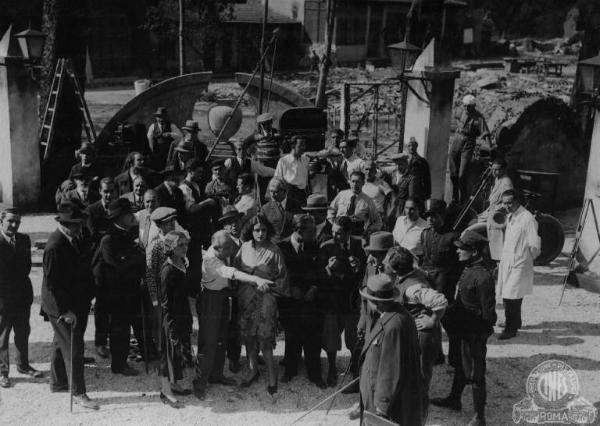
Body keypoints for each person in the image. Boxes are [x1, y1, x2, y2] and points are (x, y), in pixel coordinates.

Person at [194, 230, 275, 399]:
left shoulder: (223, 248)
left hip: (223, 296)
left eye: (232, 245)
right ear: (218, 249)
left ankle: (216, 375)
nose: (233, 249)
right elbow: (232, 273)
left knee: (221, 338)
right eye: (229, 247)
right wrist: (256, 280)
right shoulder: (210, 260)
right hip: (210, 300)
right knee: (208, 342)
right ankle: (200, 382)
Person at [432, 231, 496, 426]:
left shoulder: (483, 277)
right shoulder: (467, 268)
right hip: (461, 329)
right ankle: (454, 399)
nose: (458, 251)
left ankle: (479, 417)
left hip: (474, 334)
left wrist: (478, 336)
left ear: (474, 252)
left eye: (462, 248)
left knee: (476, 375)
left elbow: (489, 315)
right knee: (459, 365)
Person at [42, 203, 98, 409]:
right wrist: (65, 311)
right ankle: (79, 393)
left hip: (76, 300)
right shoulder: (54, 246)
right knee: (74, 346)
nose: (80, 227)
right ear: (65, 224)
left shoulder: (74, 238)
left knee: (61, 342)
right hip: (61, 306)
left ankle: (58, 382)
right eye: (76, 224)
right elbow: (52, 284)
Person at [383, 246, 448, 421]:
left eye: (386, 262)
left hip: (422, 338)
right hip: (414, 334)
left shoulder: (412, 287)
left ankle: (419, 419)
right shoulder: (413, 272)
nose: (383, 263)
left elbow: (440, 301)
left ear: (395, 268)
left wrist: (432, 320)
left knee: (419, 383)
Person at [358, 274, 423, 425]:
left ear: (376, 302)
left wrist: (382, 405)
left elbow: (391, 369)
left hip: (389, 404)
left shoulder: (393, 326)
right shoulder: (395, 315)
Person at [235, 216, 288, 395]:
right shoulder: (243, 248)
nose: (260, 233)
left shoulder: (275, 251)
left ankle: (272, 376)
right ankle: (253, 371)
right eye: (256, 230)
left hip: (266, 299)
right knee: (249, 337)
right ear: (250, 230)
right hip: (246, 298)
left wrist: (269, 285)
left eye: (263, 230)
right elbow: (235, 271)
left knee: (265, 339)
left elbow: (282, 280)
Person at [93, 198, 146, 376]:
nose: (133, 216)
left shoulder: (126, 234)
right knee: (119, 329)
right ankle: (119, 364)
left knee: (127, 326)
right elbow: (115, 266)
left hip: (129, 290)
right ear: (120, 217)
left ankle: (127, 358)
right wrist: (137, 258)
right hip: (115, 293)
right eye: (129, 213)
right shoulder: (109, 239)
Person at [277, 215, 326, 388]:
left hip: (310, 299)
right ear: (298, 231)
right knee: (292, 335)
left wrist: (314, 287)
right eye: (311, 231)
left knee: (313, 337)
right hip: (290, 300)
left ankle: (315, 374)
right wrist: (290, 289)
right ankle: (290, 370)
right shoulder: (281, 246)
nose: (315, 234)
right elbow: (278, 272)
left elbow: (320, 269)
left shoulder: (314, 245)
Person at [318, 216, 366, 388]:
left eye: (339, 234)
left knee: (354, 337)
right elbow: (318, 275)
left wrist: (359, 267)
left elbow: (366, 273)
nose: (335, 236)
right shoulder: (326, 246)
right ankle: (332, 367)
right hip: (332, 299)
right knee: (331, 336)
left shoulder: (360, 246)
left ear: (348, 233)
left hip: (352, 299)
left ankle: (355, 369)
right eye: (333, 232)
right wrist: (328, 269)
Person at [0, 208, 42, 388]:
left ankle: (23, 365)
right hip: (2, 298)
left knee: (23, 332)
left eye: (17, 221)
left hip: (22, 295)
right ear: (1, 221)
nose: (14, 225)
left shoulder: (24, 239)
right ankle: (2, 372)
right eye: (10, 221)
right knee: (2, 336)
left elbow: (26, 267)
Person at [496, 189, 540, 340]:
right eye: (505, 203)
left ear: (517, 201)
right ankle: (516, 321)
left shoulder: (527, 218)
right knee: (511, 293)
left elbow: (534, 243)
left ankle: (510, 329)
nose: (507, 206)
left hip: (520, 262)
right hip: (508, 260)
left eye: (510, 203)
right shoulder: (511, 216)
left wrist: (527, 259)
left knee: (511, 295)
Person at [159, 231, 193, 408]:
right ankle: (165, 391)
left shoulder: (182, 263)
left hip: (182, 315)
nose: (185, 248)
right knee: (168, 355)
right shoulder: (168, 270)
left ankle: (174, 384)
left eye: (186, 244)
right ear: (171, 248)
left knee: (177, 354)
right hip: (171, 319)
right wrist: (171, 326)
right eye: (181, 245)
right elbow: (165, 303)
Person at [86, 177, 116, 358]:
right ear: (100, 191)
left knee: (117, 304)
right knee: (102, 305)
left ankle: (116, 339)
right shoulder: (92, 210)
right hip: (99, 265)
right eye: (105, 191)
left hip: (117, 264)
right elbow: (91, 238)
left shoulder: (119, 207)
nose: (109, 194)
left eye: (111, 191)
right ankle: (100, 342)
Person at [466, 158, 513, 261]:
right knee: (470, 221)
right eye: (492, 170)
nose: (494, 172)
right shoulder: (497, 180)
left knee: (470, 229)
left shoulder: (506, 183)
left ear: (504, 170)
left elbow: (508, 204)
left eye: (497, 170)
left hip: (498, 216)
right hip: (489, 213)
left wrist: (494, 211)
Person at [449, 95, 491, 204]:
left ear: (474, 106)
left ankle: (463, 198)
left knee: (462, 175)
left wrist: (490, 147)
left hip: (468, 143)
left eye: (469, 106)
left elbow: (486, 133)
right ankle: (454, 197)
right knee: (453, 172)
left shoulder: (479, 117)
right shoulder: (459, 112)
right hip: (456, 140)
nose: (467, 108)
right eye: (465, 106)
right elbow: (452, 118)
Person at [216, 207, 244, 373]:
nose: (234, 225)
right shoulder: (223, 244)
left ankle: (248, 353)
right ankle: (232, 357)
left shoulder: (244, 242)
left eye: (236, 221)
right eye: (229, 223)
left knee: (242, 323)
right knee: (231, 325)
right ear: (224, 227)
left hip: (243, 289)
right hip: (229, 291)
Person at [327, 171, 382, 237]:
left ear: (363, 183)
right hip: (338, 232)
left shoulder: (368, 200)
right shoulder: (342, 195)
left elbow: (377, 221)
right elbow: (331, 210)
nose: (355, 184)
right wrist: (333, 224)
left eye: (358, 182)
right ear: (349, 182)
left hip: (356, 233)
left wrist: (368, 231)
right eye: (353, 181)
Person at [243, 113, 282, 201]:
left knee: (276, 188)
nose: (266, 126)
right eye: (264, 124)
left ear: (271, 122)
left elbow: (286, 142)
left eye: (268, 123)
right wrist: (249, 156)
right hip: (262, 165)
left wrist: (279, 137)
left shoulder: (277, 133)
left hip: (275, 164)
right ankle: (261, 210)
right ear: (260, 125)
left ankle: (276, 208)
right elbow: (244, 144)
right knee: (261, 191)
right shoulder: (256, 135)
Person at [384, 154, 423, 229]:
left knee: (400, 228)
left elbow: (411, 197)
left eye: (401, 164)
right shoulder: (391, 175)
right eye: (396, 164)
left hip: (401, 208)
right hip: (390, 207)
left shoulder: (411, 178)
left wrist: (406, 211)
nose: (398, 167)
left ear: (406, 164)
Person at [260, 177, 302, 243]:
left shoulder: (296, 205)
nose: (272, 195)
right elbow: (262, 230)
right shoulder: (265, 209)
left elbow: (301, 227)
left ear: (285, 191)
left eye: (276, 192)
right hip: (274, 246)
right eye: (271, 191)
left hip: (292, 245)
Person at [274, 136, 310, 205]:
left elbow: (306, 177)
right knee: (289, 215)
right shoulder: (283, 161)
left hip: (302, 195)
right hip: (289, 195)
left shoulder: (306, 160)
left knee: (302, 215)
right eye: (300, 145)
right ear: (293, 146)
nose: (303, 148)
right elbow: (277, 179)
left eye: (304, 145)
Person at [392, 197, 428, 262]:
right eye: (407, 208)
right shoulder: (399, 220)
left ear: (419, 209)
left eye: (412, 209)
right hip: (395, 260)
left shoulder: (425, 227)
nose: (408, 212)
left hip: (412, 264)